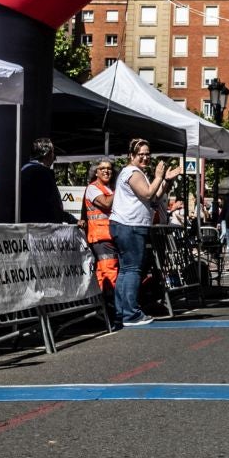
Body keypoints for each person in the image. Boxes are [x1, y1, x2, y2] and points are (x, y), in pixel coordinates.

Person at [112, 139, 175, 326]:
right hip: (129, 225)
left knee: (126, 270)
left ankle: (122, 312)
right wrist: (158, 175)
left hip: (128, 225)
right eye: (141, 154)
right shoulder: (132, 172)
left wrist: (165, 180)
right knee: (132, 270)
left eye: (148, 154)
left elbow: (154, 198)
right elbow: (147, 194)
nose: (146, 157)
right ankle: (130, 313)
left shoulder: (137, 172)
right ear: (132, 156)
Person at [84, 159, 120, 321]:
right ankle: (109, 309)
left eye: (109, 169)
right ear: (96, 172)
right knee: (108, 273)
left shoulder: (109, 188)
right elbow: (105, 204)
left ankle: (102, 309)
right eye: (102, 169)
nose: (106, 171)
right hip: (101, 236)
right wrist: (119, 189)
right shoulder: (93, 188)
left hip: (111, 236)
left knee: (105, 273)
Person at [19, 138, 69, 223]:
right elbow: (53, 205)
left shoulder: (23, 170)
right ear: (47, 154)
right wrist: (70, 219)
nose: (54, 157)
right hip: (43, 228)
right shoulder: (42, 173)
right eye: (53, 152)